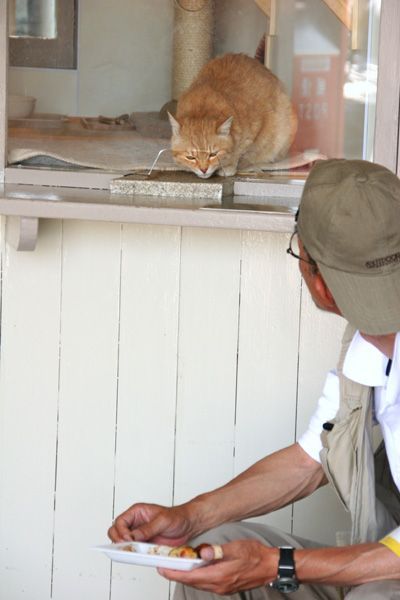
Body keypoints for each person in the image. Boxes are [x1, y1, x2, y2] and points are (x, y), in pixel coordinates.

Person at [108, 159, 400, 599]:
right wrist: (191, 516)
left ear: (317, 278)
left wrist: (276, 564)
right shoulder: (366, 347)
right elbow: (310, 459)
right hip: (382, 562)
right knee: (218, 553)